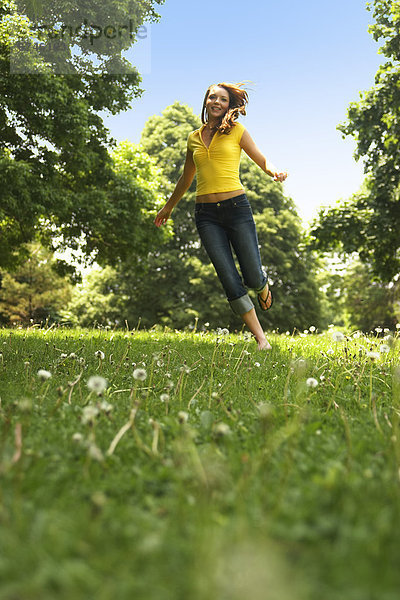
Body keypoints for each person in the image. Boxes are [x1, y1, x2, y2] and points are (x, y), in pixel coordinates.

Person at [154, 82, 287, 350]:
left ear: (230, 105)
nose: (216, 102)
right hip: (206, 216)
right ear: (206, 101)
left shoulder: (237, 131)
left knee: (251, 273)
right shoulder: (193, 137)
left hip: (237, 208)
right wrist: (168, 206)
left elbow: (261, 159)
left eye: (222, 99)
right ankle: (261, 339)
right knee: (228, 276)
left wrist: (274, 172)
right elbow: (186, 177)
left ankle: (262, 286)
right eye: (212, 97)